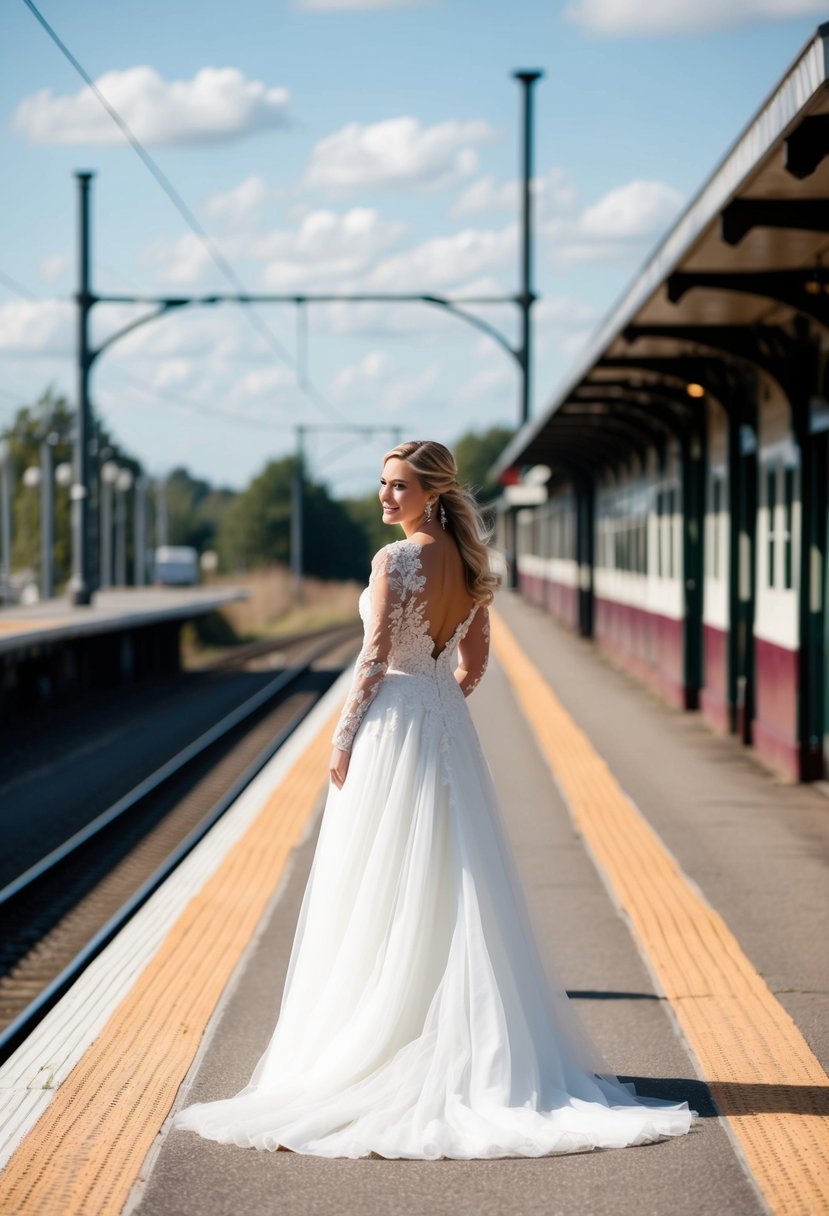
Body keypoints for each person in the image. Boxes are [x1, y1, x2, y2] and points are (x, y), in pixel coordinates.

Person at [174, 439, 694, 1158]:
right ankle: (463, 1044)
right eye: (383, 485)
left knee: (381, 882)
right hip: (444, 724)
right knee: (454, 880)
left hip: (393, 724)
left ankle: (385, 1038)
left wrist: (343, 738)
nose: (385, 498)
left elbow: (373, 658)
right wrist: (437, 702)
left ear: (430, 492)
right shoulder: (473, 566)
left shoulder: (395, 561)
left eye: (398, 487)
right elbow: (473, 667)